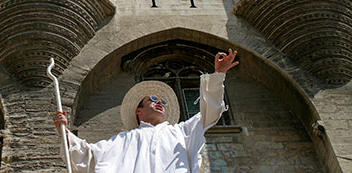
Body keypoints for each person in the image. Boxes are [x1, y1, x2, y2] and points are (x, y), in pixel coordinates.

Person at [53, 49, 239, 173]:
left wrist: (218, 76)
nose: (160, 103)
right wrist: (65, 132)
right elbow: (89, 155)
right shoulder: (122, 140)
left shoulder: (182, 132)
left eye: (162, 101)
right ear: (138, 111)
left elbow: (210, 112)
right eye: (153, 100)